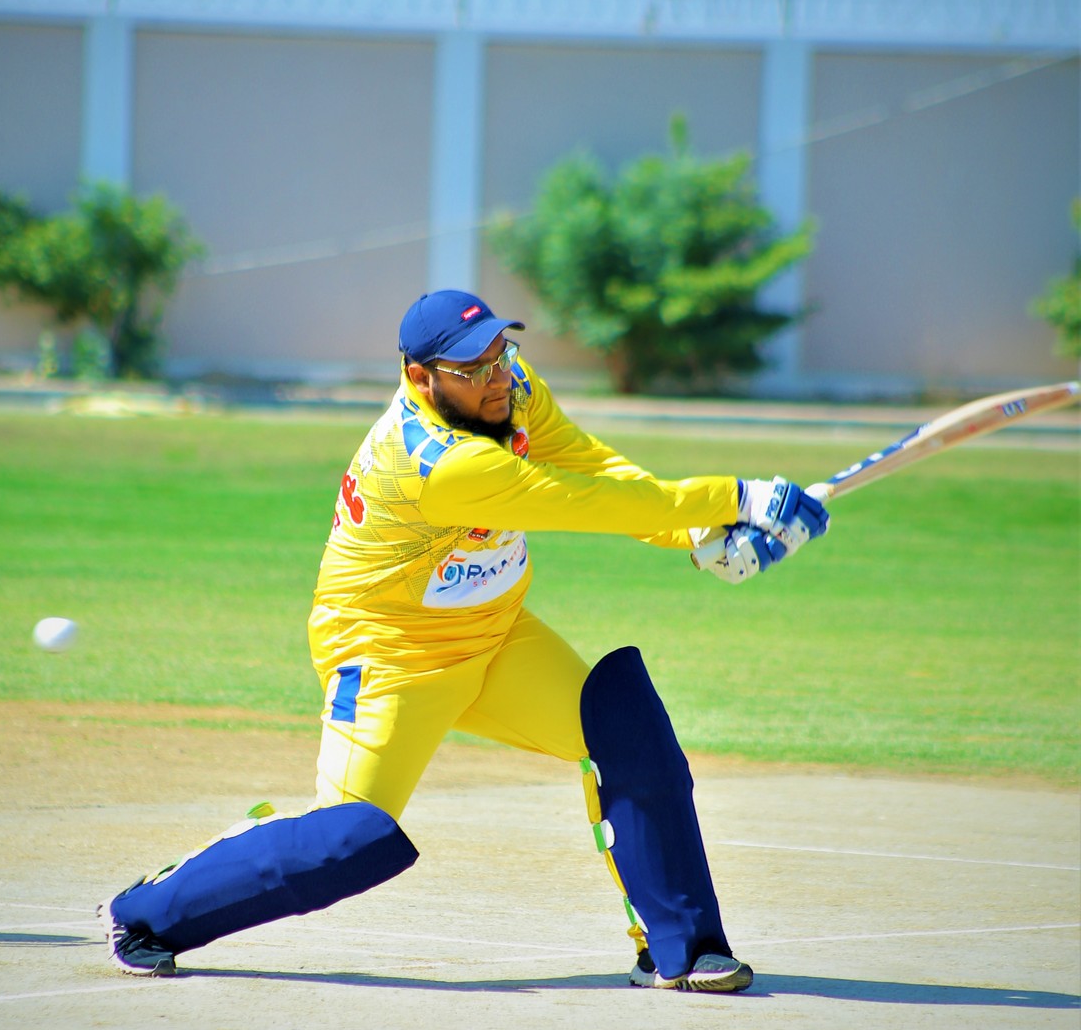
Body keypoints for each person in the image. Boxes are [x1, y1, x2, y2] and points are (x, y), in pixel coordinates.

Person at [97, 289, 829, 992]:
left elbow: (593, 466)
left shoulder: (511, 389)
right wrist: (738, 499)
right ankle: (146, 913)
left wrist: (696, 533)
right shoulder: (439, 464)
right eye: (472, 369)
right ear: (421, 378)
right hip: (391, 656)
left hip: (497, 634)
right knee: (346, 841)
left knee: (626, 730)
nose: (497, 377)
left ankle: (682, 948)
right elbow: (587, 504)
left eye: (501, 353)